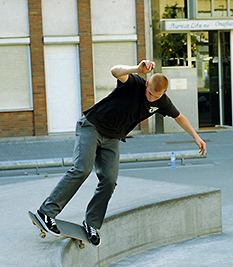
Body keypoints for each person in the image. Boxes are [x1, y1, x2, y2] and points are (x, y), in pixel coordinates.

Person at [33, 60, 206, 247]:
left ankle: (91, 224)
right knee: (82, 169)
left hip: (112, 138)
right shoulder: (135, 83)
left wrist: (196, 137)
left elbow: (179, 117)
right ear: (147, 84)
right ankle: (46, 212)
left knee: (109, 179)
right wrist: (136, 69)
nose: (151, 99)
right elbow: (114, 70)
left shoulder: (162, 101)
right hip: (91, 126)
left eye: (156, 97)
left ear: (163, 93)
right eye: (150, 94)